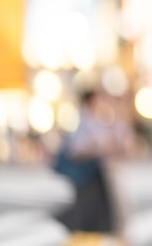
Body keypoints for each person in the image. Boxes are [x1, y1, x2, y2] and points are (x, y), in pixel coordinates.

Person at [53, 88, 134, 243]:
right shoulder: (87, 121)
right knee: (94, 217)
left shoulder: (97, 120)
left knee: (98, 216)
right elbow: (77, 149)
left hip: (97, 175)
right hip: (90, 177)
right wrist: (99, 148)